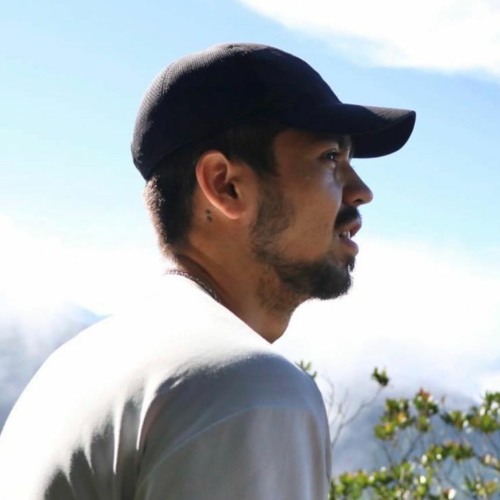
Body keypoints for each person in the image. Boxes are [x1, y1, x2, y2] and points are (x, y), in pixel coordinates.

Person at [0, 43, 415, 499]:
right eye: (331, 157)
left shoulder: (68, 370)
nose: (361, 191)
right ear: (225, 185)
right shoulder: (249, 388)